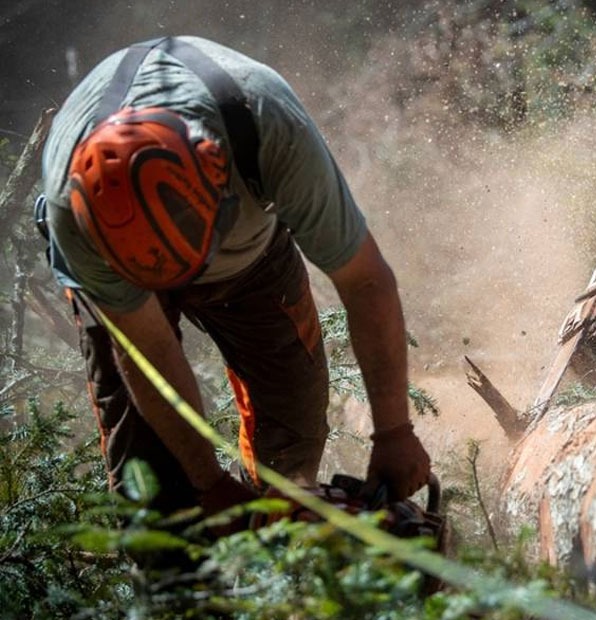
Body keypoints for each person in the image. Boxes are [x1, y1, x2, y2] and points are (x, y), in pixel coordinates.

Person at [38, 36, 431, 522]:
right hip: (122, 280)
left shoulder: (268, 127)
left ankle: (287, 552)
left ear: (217, 177)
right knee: (149, 473)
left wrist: (394, 431)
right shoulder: (73, 216)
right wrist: (210, 484)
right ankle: (180, 584)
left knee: (292, 431)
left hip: (251, 260)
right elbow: (150, 355)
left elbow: (366, 281)